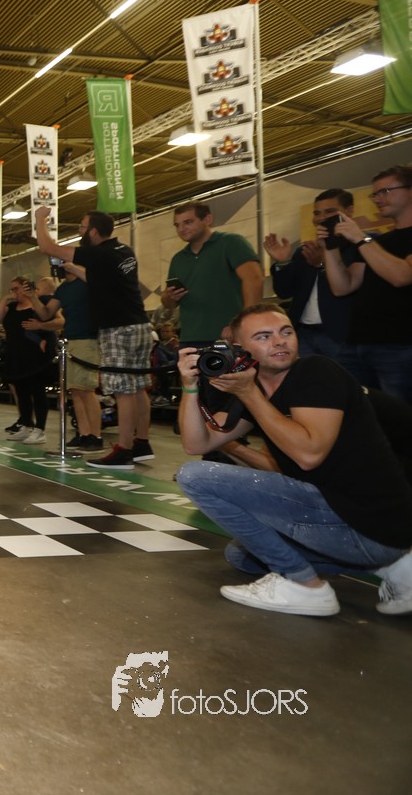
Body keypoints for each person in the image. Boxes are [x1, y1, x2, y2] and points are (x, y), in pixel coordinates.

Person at [174, 303, 412, 617]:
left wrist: (249, 394)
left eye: (285, 332)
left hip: (369, 522)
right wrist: (190, 387)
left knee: (195, 477)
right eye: (263, 336)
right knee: (241, 556)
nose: (279, 341)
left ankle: (304, 585)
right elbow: (196, 442)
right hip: (360, 527)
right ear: (240, 350)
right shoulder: (260, 392)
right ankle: (395, 566)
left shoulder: (315, 371)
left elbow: (309, 455)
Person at [34, 206, 153, 469]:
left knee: (123, 390)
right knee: (138, 387)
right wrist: (73, 269)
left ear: (94, 232)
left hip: (118, 328)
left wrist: (40, 219)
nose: (80, 231)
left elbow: (47, 247)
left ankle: (124, 450)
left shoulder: (99, 252)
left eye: (82, 227)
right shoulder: (123, 251)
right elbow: (100, 279)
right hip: (140, 325)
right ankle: (142, 442)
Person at [323, 165, 412, 402]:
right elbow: (343, 286)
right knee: (361, 412)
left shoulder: (369, 242)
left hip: (400, 346)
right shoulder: (378, 242)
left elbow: (401, 276)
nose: (378, 199)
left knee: (401, 415)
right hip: (358, 344)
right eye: (375, 194)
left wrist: (360, 238)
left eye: (386, 191)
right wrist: (329, 248)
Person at [264, 190, 358, 369]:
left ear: (349, 211)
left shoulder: (358, 247)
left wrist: (323, 263)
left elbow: (349, 288)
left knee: (346, 383)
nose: (321, 218)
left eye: (330, 211)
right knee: (311, 383)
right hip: (303, 334)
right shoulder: (305, 250)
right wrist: (283, 262)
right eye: (317, 213)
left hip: (341, 336)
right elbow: (284, 291)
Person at [161, 202, 263, 346]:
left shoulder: (231, 243)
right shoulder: (178, 259)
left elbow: (255, 279)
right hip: (189, 338)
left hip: (229, 336)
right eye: (177, 225)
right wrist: (169, 297)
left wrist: (243, 323)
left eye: (188, 222)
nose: (181, 229)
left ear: (207, 219)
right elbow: (168, 303)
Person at [30, 262, 102, 450]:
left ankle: (96, 435)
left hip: (87, 339)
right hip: (70, 340)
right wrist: (33, 297)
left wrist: (73, 266)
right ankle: (84, 433)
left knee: (86, 389)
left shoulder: (86, 282)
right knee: (75, 390)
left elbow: (98, 282)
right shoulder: (63, 289)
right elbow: (46, 313)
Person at [0, 276, 58, 444]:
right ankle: (26, 424)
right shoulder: (11, 307)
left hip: (35, 357)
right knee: (21, 393)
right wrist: (5, 299)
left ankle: (40, 429)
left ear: (26, 288)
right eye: (12, 289)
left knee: (37, 392)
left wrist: (41, 328)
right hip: (16, 355)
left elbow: (55, 321)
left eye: (17, 288)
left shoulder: (38, 306)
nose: (14, 292)